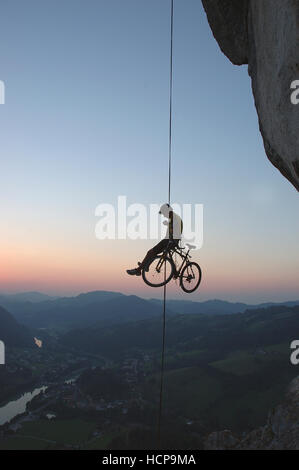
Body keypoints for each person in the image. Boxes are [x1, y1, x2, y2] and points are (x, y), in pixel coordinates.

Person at [126, 203, 183, 276]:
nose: (163, 215)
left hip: (170, 241)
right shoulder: (172, 219)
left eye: (164, 213)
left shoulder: (175, 218)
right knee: (154, 253)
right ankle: (147, 265)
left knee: (151, 252)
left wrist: (169, 227)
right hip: (168, 240)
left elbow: (176, 233)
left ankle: (139, 269)